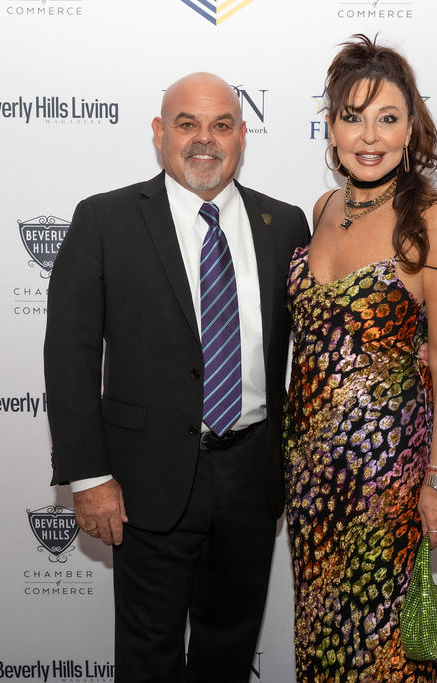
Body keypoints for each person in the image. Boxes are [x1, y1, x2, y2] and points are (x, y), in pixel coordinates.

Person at [44, 72, 310, 682]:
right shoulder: (105, 219)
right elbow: (69, 356)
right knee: (148, 660)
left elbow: (324, 335)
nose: (204, 140)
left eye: (221, 125)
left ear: (242, 136)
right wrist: (89, 476)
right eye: (187, 124)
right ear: (160, 133)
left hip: (253, 476)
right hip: (145, 481)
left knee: (228, 654)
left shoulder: (286, 224)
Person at [283, 35, 437, 681]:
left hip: (385, 480)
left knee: (382, 652)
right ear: (331, 127)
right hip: (310, 476)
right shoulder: (323, 209)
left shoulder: (433, 220)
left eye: (387, 118)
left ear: (411, 129)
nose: (369, 136)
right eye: (352, 117)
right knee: (322, 644)